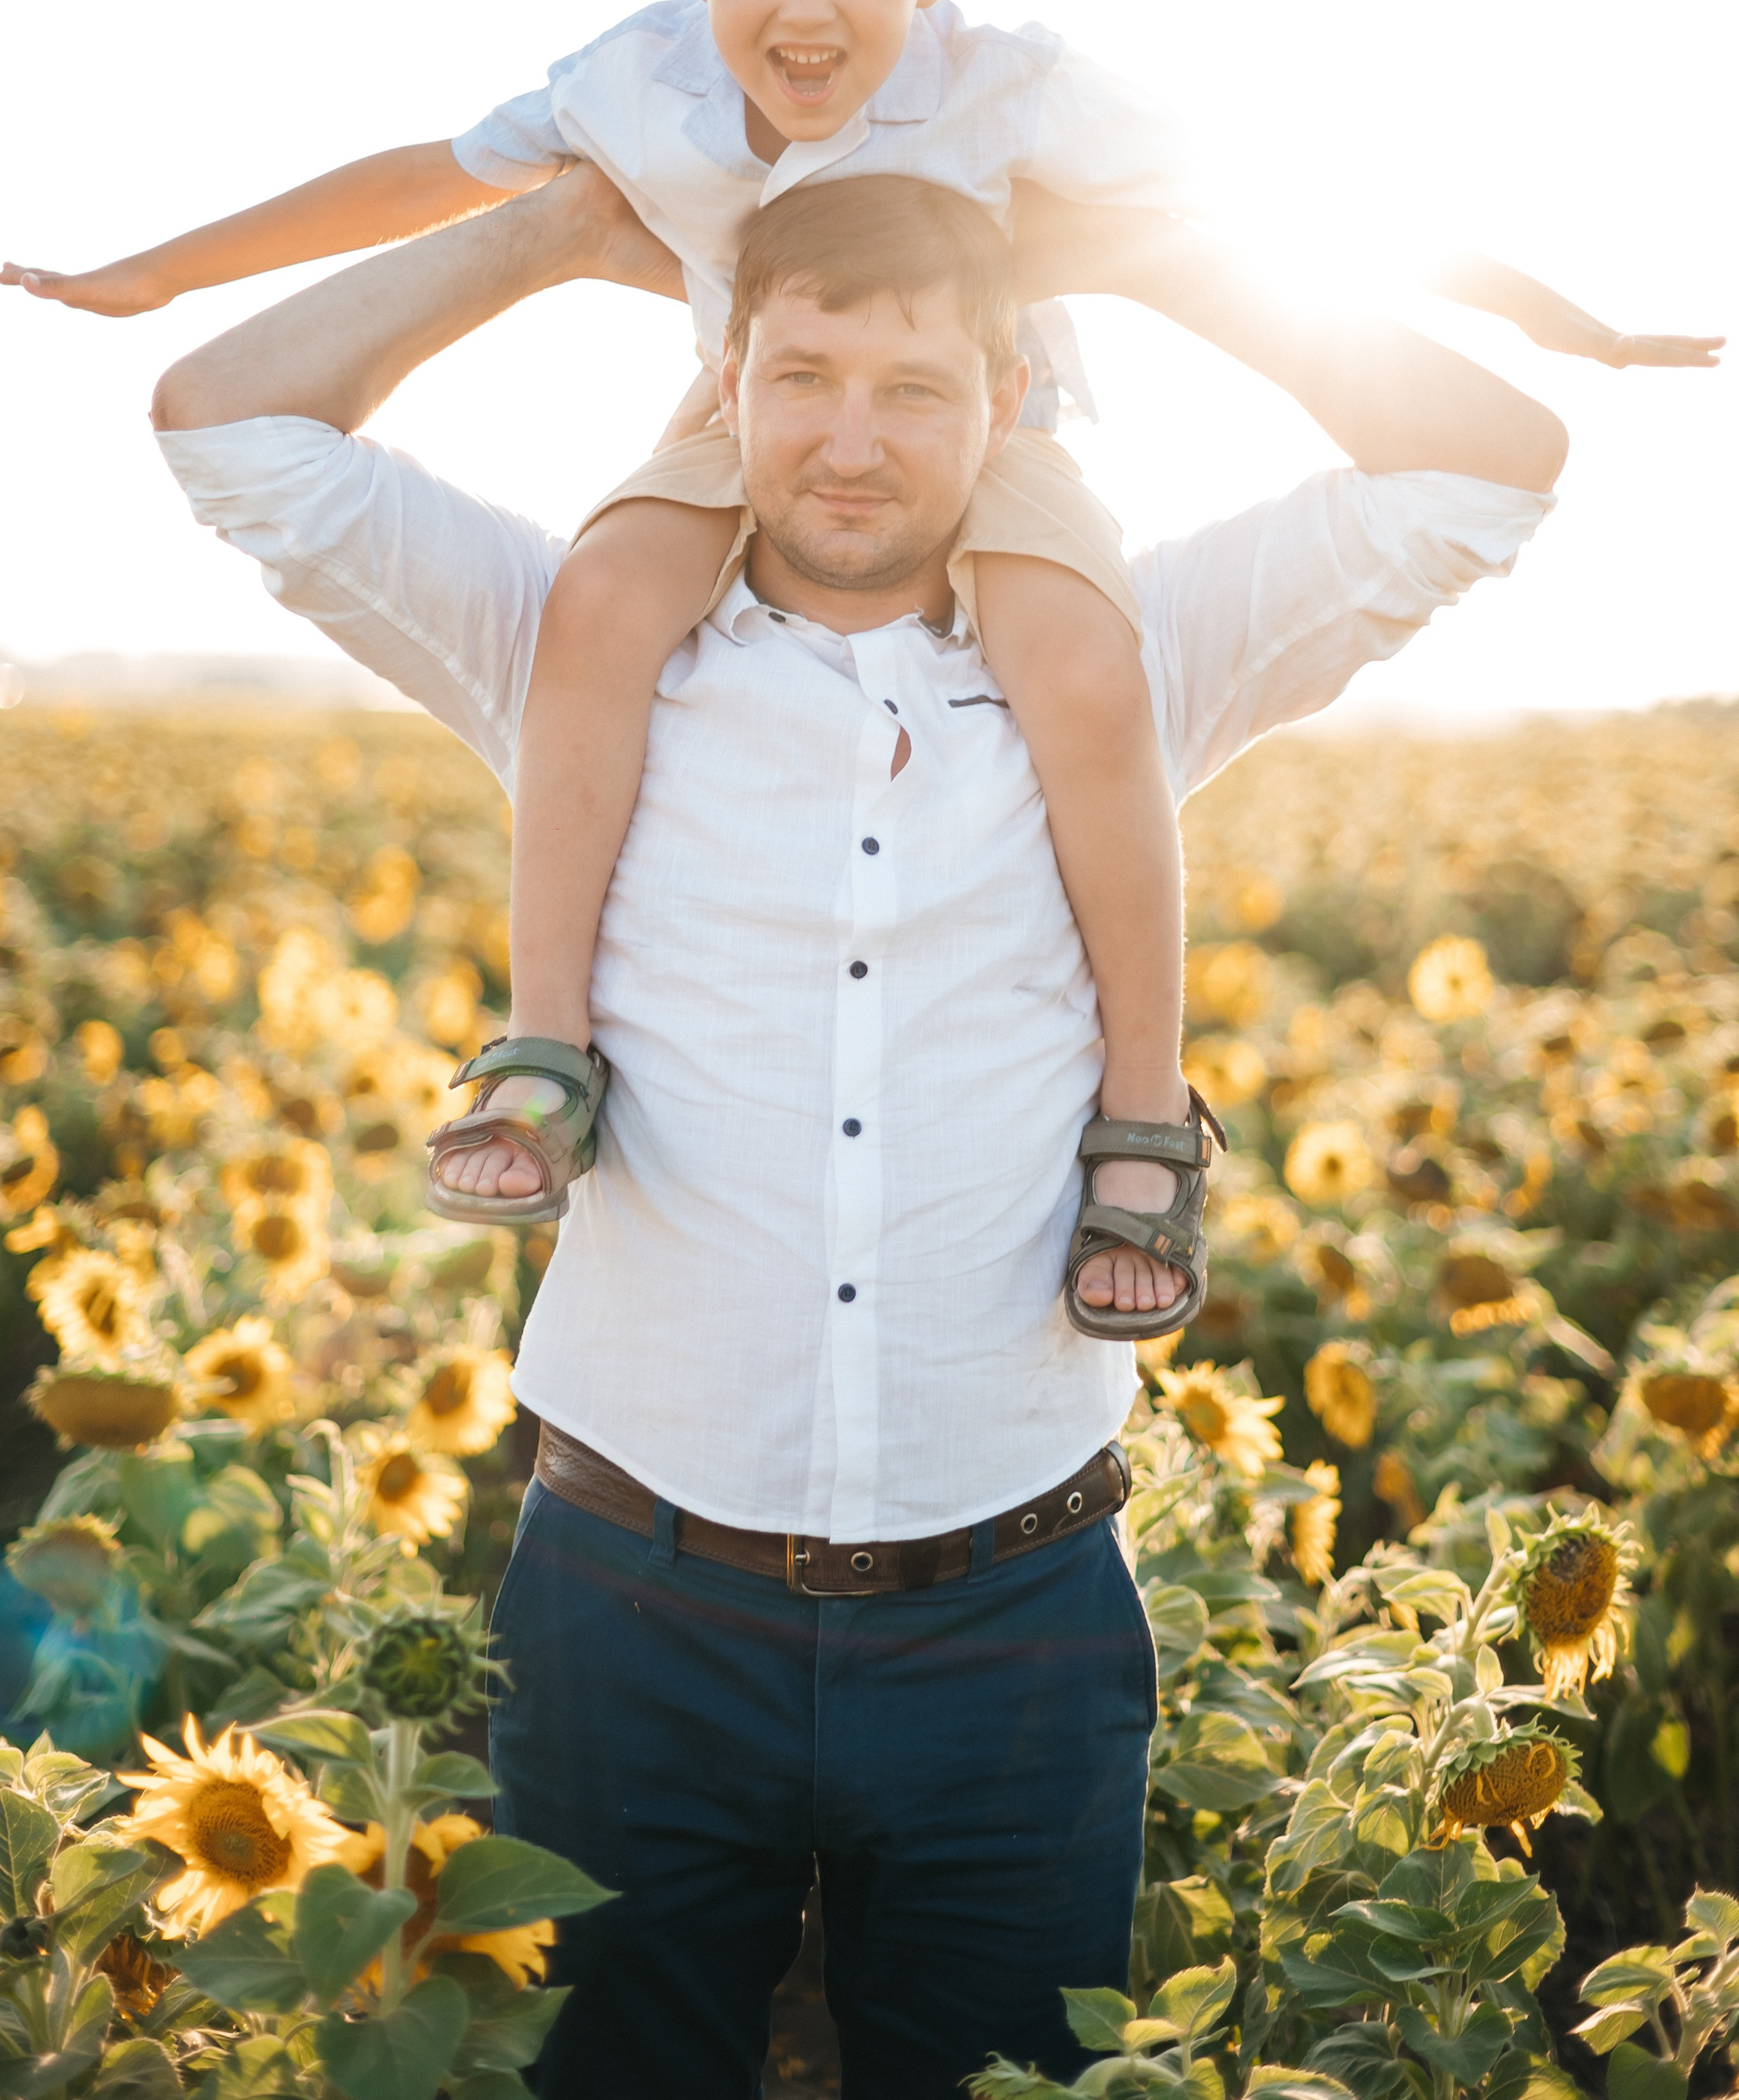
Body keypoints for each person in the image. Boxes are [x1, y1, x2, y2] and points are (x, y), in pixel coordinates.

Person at [10, 0, 1721, 1340]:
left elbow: (1296, 198)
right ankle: (541, 1041)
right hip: (715, 420)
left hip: (1010, 434)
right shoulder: (635, 84)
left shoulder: (1015, 88)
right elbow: (415, 180)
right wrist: (158, 270)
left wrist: (1552, 315)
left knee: (1089, 674)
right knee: (597, 603)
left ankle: (1140, 1099)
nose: (806, 9)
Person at [151, 158, 1571, 2094]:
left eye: (916, 388)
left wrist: (1156, 251)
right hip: (632, 1611)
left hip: (1013, 1624)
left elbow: (1492, 458)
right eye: (803, 371)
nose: (848, 438)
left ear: (1008, 403)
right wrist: (548, 233)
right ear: (724, 380)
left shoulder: (1131, 659)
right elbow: (227, 421)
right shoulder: (582, 645)